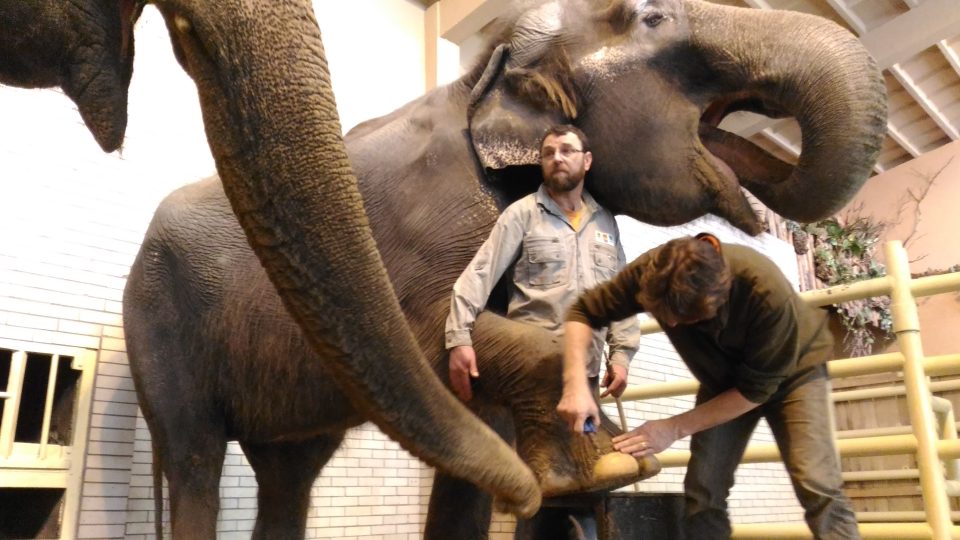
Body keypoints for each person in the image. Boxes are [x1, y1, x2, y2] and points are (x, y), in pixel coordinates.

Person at [557, 234, 860, 539]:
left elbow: (754, 392)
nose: (671, 326)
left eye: (685, 319)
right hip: (723, 380)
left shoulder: (764, 290)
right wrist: (575, 385)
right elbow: (583, 312)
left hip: (796, 371)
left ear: (719, 297)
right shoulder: (653, 274)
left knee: (815, 482)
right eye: (662, 316)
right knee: (704, 489)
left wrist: (673, 428)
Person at [444, 124, 640, 402]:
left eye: (567, 150)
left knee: (584, 444)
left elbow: (620, 293)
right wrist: (458, 339)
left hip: (587, 376)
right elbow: (479, 275)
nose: (557, 158)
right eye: (549, 153)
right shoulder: (521, 215)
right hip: (532, 370)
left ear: (587, 161)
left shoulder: (605, 222)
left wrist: (621, 355)